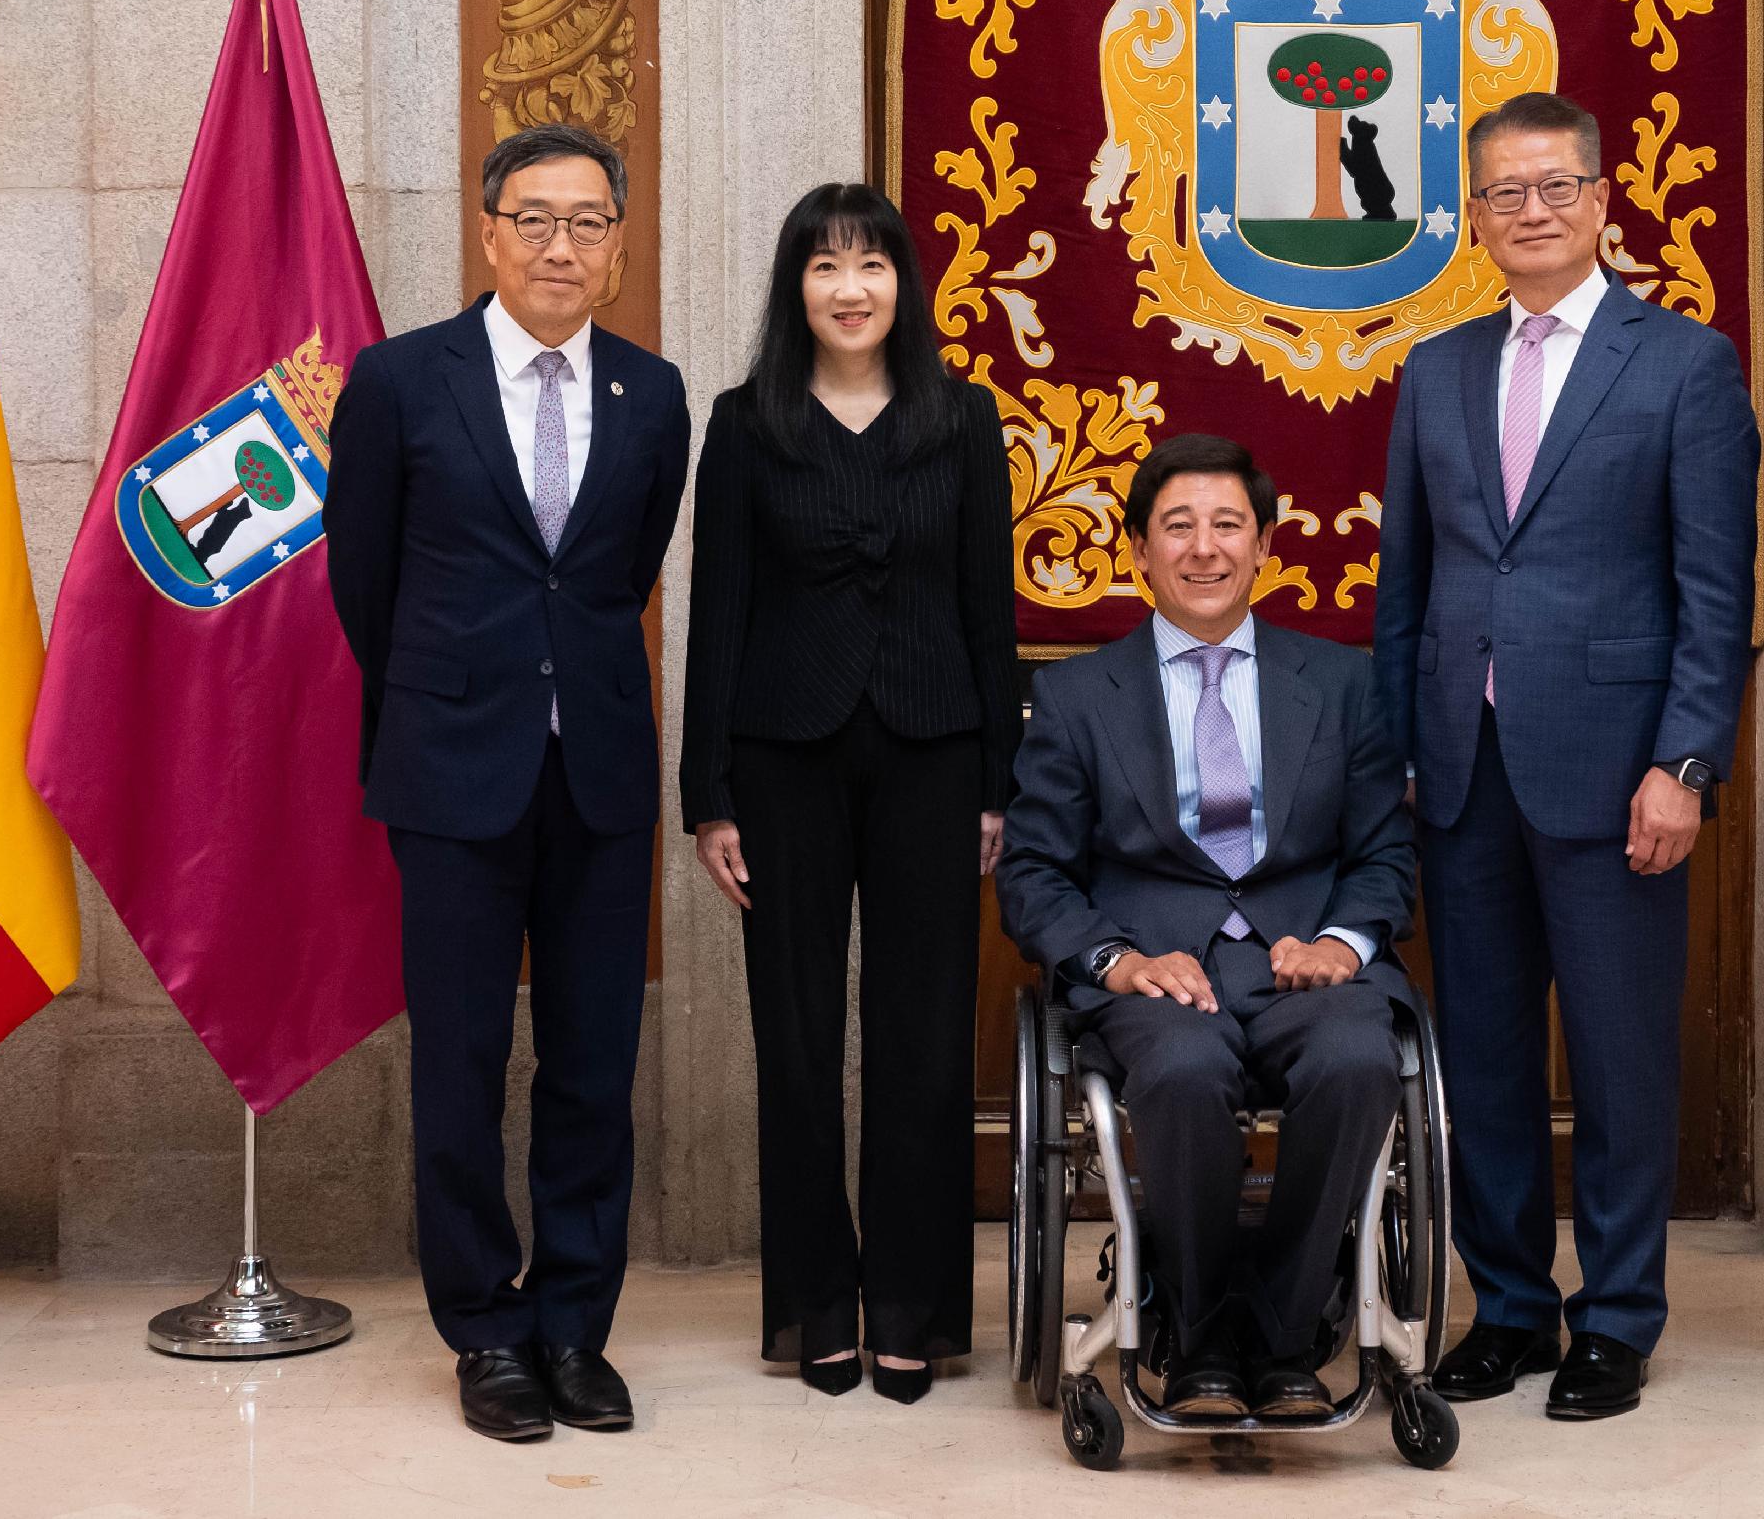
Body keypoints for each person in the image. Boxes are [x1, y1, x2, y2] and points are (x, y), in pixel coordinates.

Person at [1371, 89, 1761, 1421]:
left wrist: (1688, 761)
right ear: (1473, 217)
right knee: (1481, 1053)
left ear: (1602, 199)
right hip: (1461, 767)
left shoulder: (1686, 365)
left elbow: (1718, 590)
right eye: (1503, 193)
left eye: (1555, 188)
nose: (1530, 211)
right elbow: (1405, 587)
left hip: (1619, 772)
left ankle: (1618, 1317)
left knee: (1618, 1056)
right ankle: (1512, 1308)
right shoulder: (1436, 368)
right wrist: (1401, 752)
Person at [324, 124, 693, 1446]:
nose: (559, 245)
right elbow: (361, 581)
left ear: (617, 244)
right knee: (464, 1065)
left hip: (596, 776)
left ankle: (573, 1324)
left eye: (587, 222)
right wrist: (459, 691)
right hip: (453, 774)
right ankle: (484, 1326)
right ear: (488, 234)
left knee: (594, 1063)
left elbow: (618, 575)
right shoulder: (398, 380)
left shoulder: (653, 396)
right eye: (533, 219)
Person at [997, 437, 1418, 1425]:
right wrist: (1118, 958)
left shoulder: (1340, 683)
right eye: (1176, 526)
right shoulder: (1074, 695)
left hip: (1302, 961)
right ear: (1138, 549)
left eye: (1226, 525)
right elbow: (1033, 870)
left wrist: (1344, 943)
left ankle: (1283, 1328)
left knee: (1361, 1057)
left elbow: (1383, 856)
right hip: (1153, 973)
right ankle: (1199, 1328)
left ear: (1264, 545)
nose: (1203, 548)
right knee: (1182, 1069)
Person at [682, 182, 1019, 1402]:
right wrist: (707, 796)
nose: (849, 286)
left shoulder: (962, 417)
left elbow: (993, 609)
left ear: (901, 284)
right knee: (797, 1038)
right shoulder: (744, 421)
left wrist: (998, 783)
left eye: (870, 264)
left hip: (935, 752)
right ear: (797, 288)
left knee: (925, 1043)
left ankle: (913, 1308)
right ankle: (817, 1302)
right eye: (824, 266)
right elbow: (716, 611)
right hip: (783, 758)